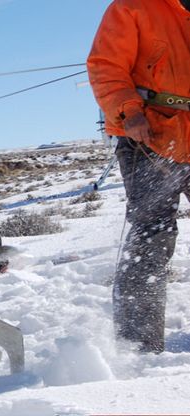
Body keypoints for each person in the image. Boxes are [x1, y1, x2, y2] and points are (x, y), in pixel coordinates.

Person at [87, 0, 190, 353]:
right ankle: (138, 345)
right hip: (149, 135)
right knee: (152, 235)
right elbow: (105, 64)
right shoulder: (132, 6)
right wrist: (128, 110)